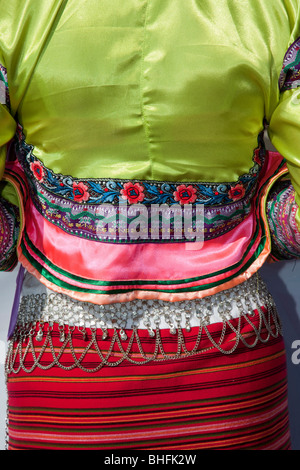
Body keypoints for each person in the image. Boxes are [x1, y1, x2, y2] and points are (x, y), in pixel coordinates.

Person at [1, 0, 300, 450]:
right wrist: (265, 217)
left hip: (66, 359)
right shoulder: (275, 8)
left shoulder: (14, 13)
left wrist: (23, 205)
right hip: (232, 349)